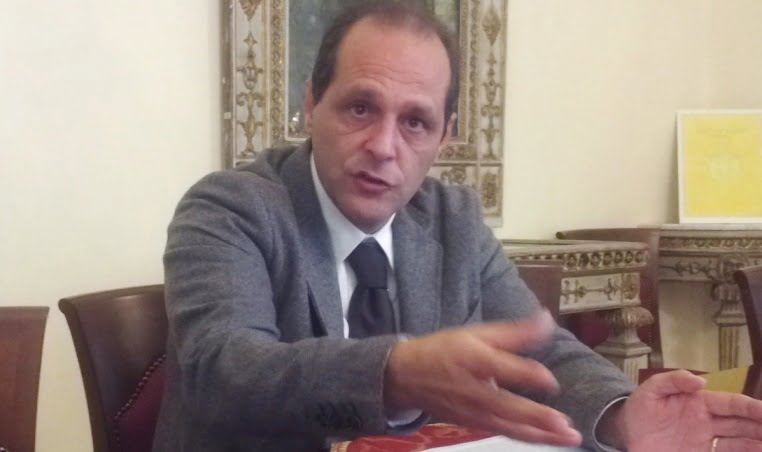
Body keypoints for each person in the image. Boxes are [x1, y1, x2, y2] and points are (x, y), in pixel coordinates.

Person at [152, 2, 762, 451]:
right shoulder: (230, 208)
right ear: (312, 103)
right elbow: (225, 370)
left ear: (444, 137)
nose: (383, 146)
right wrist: (392, 374)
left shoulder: (453, 220)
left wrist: (622, 416)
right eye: (360, 107)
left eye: (415, 122)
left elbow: (541, 350)